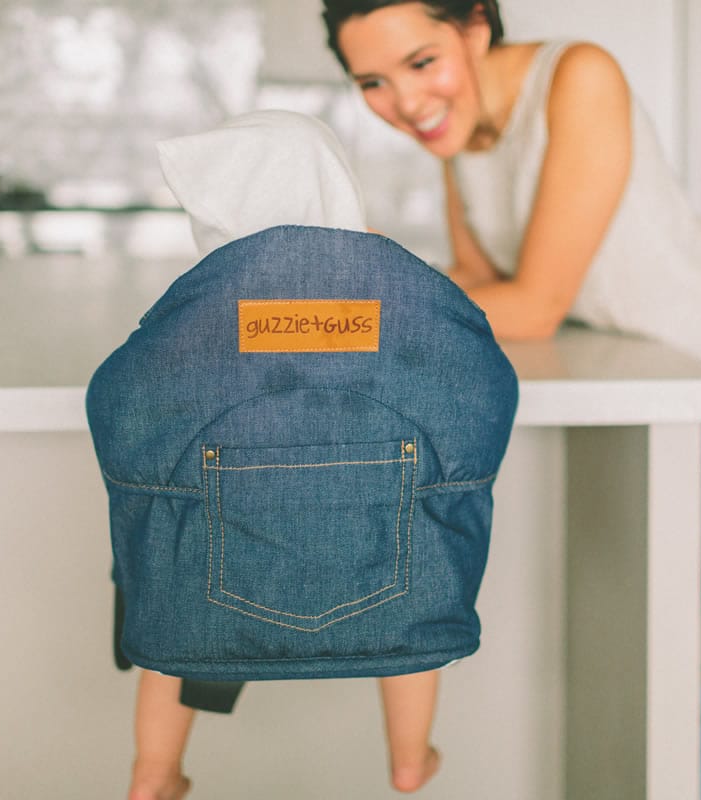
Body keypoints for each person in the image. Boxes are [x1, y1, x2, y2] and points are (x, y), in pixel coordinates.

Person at [320, 1, 701, 798]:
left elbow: (532, 306)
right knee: (660, 695)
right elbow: (481, 286)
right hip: (654, 405)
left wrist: (346, 322)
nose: (405, 101)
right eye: (373, 80)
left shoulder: (579, 76)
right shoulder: (460, 129)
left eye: (421, 62)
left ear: (474, 26)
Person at [121, 109, 480, 799]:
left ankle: (155, 769)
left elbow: (147, 409)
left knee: (176, 586)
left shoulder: (198, 311)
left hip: (225, 544)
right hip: (376, 539)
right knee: (413, 578)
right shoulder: (387, 292)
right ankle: (408, 759)